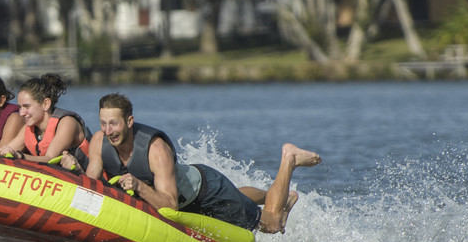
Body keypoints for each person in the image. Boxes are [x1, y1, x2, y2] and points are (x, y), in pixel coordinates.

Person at [79, 91, 320, 234]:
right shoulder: (99, 142)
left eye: (114, 123)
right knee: (238, 196)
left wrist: (140, 187)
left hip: (207, 192)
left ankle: (289, 159)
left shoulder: (156, 150)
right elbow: (90, 185)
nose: (108, 130)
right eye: (103, 123)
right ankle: (276, 195)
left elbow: (170, 206)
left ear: (130, 121)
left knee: (272, 224)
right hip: (193, 192)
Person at [0, 73, 91, 164]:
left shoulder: (67, 123)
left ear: (45, 104)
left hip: (89, 179)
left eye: (27, 106)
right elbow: (7, 150)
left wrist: (19, 156)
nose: (21, 113)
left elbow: (50, 158)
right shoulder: (29, 127)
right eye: (20, 107)